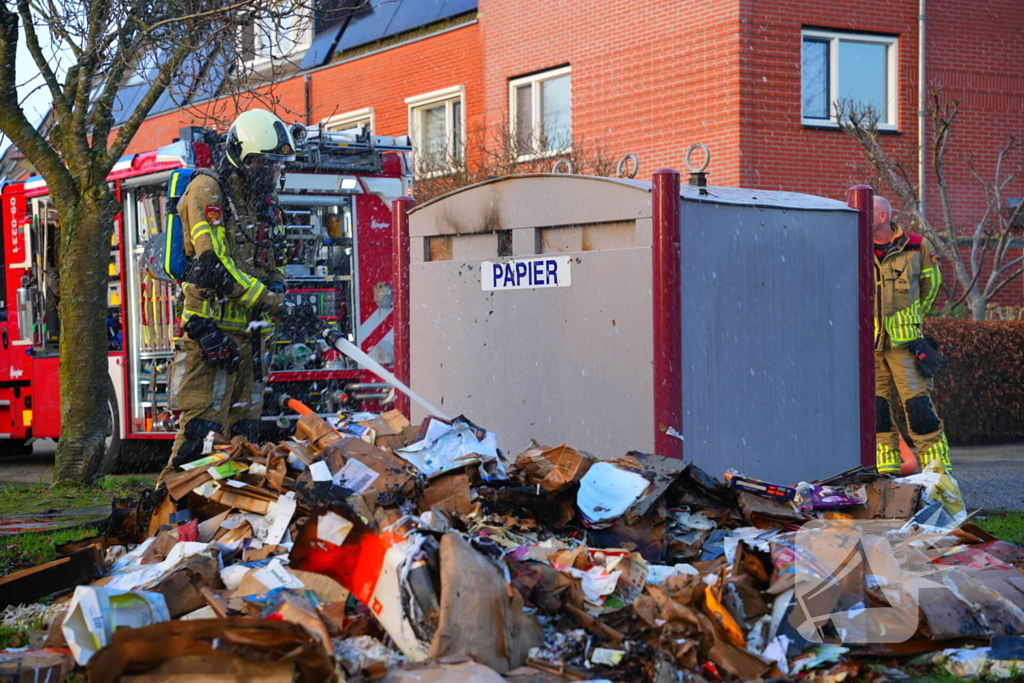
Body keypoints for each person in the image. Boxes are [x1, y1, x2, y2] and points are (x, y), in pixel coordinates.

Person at [159, 109, 295, 480]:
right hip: (212, 336)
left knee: (241, 444)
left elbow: (276, 263)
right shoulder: (208, 189)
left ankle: (224, 523)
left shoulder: (264, 205)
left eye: (278, 167)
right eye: (266, 165)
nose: (273, 174)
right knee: (200, 440)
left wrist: (281, 290)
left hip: (252, 342)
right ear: (243, 157)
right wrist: (273, 302)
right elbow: (214, 266)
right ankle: (165, 522)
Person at [872, 195, 952, 474]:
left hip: (905, 344)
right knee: (877, 412)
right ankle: (886, 472)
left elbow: (932, 284)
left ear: (883, 216)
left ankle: (939, 475)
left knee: (919, 410)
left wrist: (911, 319)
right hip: (869, 346)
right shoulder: (855, 247)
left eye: (866, 213)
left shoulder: (917, 245)